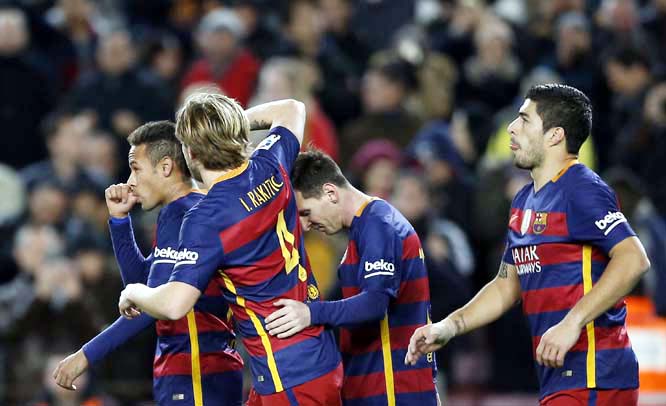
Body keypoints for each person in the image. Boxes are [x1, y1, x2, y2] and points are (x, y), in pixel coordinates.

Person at [406, 84, 651, 406]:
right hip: (561, 375)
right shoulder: (525, 200)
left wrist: (572, 322)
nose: (511, 127)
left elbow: (633, 259)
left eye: (524, 119)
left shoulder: (580, 189)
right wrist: (448, 326)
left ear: (554, 136)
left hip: (595, 372)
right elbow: (507, 284)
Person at [117, 96, 343, 406]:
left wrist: (133, 291)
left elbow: (173, 304)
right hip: (315, 356)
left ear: (190, 151)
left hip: (286, 375)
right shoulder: (269, 164)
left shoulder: (206, 217)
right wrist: (225, 128)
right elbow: (292, 109)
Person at [52, 121, 243, 405]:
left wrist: (85, 356)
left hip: (198, 375)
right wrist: (119, 222)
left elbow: (146, 308)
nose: (129, 181)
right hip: (191, 372)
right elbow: (142, 287)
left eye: (136, 168)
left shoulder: (188, 216)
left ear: (165, 167)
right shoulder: (177, 214)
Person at [264, 150, 439, 405]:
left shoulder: (379, 226)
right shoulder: (364, 229)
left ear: (330, 193)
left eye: (305, 213)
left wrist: (310, 313)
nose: (305, 225)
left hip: (393, 392)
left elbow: (375, 303)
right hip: (375, 389)